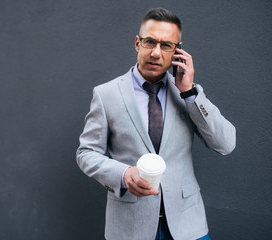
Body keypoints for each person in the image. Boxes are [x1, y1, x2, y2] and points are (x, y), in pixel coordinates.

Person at [76, 7, 236, 240]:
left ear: (177, 51)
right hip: (130, 229)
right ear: (137, 43)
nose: (156, 53)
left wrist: (190, 93)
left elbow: (226, 144)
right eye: (150, 42)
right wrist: (123, 174)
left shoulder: (189, 94)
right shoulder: (106, 94)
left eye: (166, 45)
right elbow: (86, 153)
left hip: (187, 227)